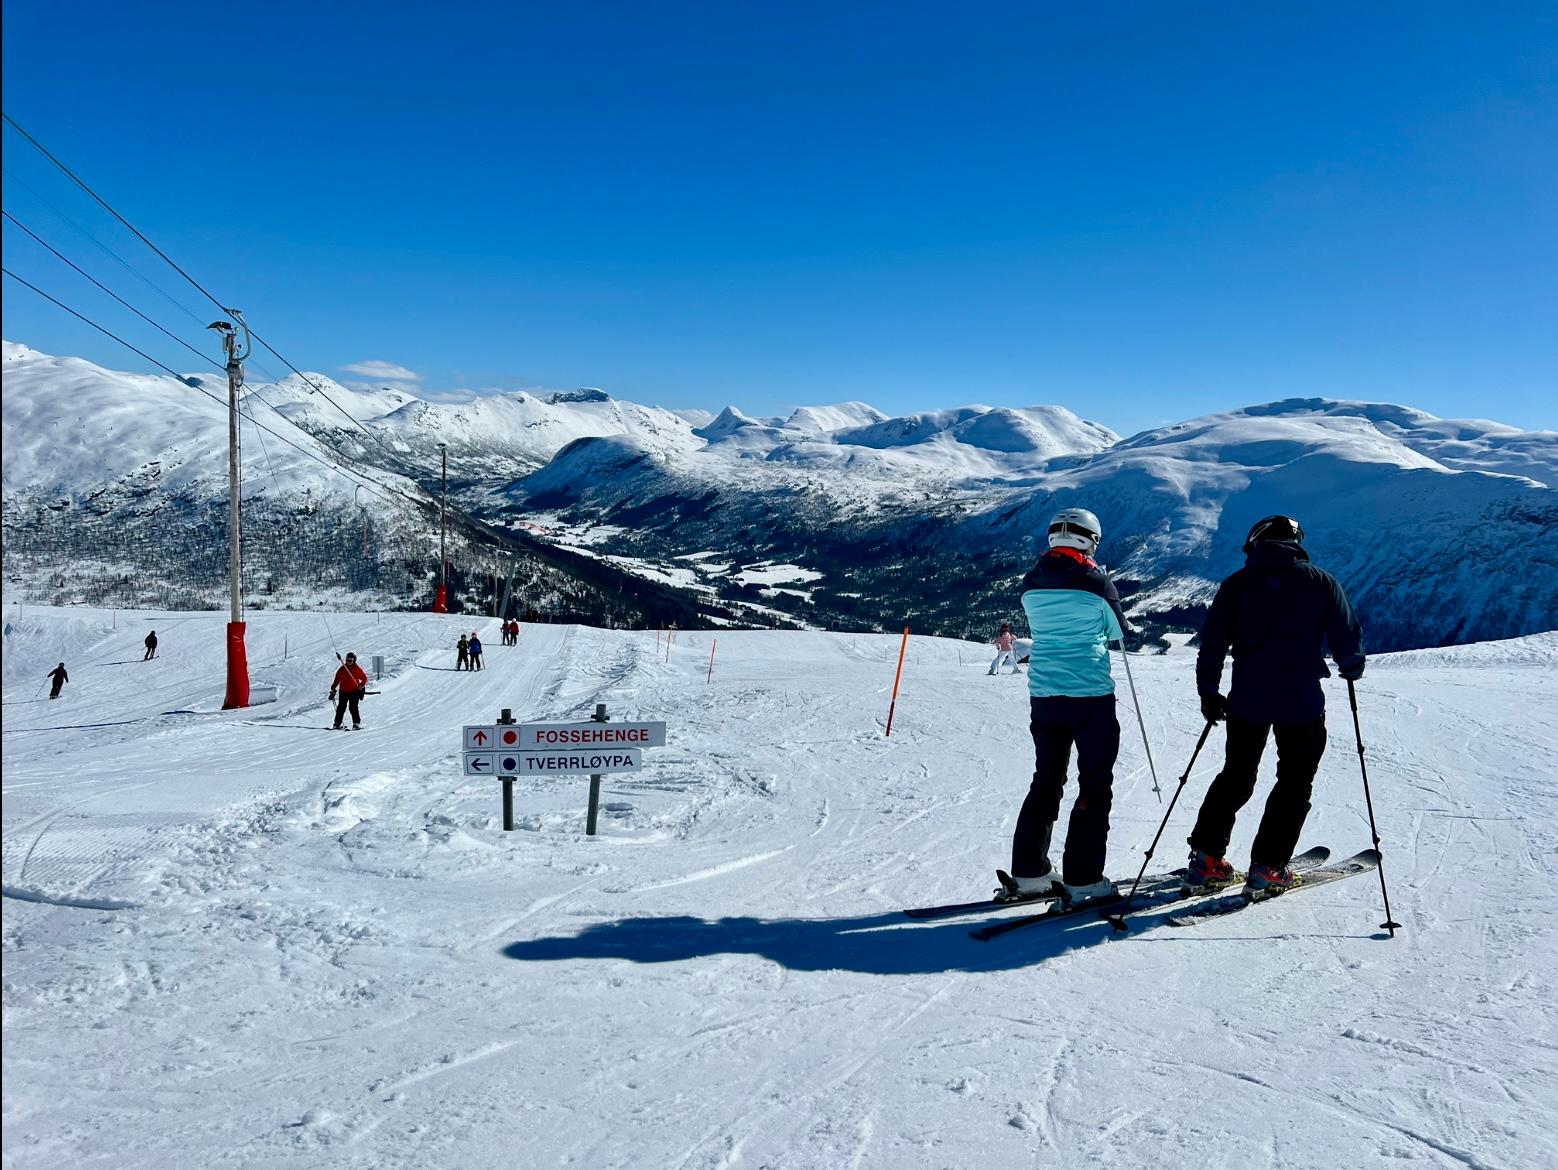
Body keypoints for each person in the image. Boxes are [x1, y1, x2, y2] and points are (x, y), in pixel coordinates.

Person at [1184, 515, 1364, 898]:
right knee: (1294, 783)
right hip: (1301, 702)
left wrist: (1208, 692)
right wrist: (1351, 665)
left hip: (1247, 700)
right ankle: (1268, 867)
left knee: (1236, 775)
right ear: (1297, 542)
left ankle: (1206, 861)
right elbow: (1347, 633)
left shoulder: (1236, 585)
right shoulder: (1321, 582)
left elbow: (1212, 643)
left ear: (1256, 543)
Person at [1000, 507, 1128, 907]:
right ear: (1090, 540)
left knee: (1047, 778)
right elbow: (1117, 630)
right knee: (1093, 782)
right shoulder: (1095, 581)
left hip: (1044, 692)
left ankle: (1029, 872)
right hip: (1089, 693)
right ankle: (1084, 878)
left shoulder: (1032, 580)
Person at [329, 653, 369, 730]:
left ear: (354, 661)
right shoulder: (342, 669)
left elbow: (364, 678)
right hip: (343, 691)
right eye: (347, 660)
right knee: (341, 708)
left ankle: (356, 724)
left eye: (350, 660)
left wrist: (361, 685)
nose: (348, 662)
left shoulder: (357, 669)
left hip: (354, 691)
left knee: (353, 708)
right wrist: (333, 688)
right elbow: (337, 680)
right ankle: (336, 724)